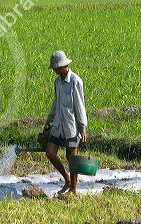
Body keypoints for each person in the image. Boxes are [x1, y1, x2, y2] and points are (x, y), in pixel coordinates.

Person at [43, 50, 87, 195]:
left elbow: (80, 106)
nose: (54, 70)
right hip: (58, 124)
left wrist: (82, 127)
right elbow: (56, 102)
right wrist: (49, 120)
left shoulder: (75, 81)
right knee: (50, 152)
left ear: (63, 66)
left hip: (71, 126)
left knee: (71, 158)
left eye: (55, 67)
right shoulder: (57, 82)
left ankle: (73, 190)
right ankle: (67, 179)